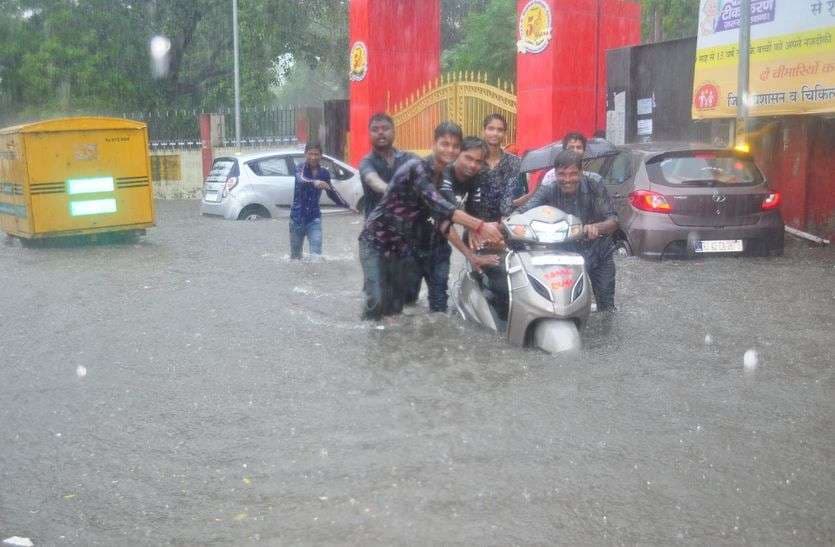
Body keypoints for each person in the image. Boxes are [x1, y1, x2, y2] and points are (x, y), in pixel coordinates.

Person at [358, 122, 504, 321]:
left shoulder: (442, 174)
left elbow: (441, 221)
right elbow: (443, 207)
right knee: (376, 300)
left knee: (396, 312)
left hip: (402, 247)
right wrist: (479, 225)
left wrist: (473, 250)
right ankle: (367, 339)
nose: (449, 150)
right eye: (444, 144)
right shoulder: (417, 168)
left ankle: (390, 347)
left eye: (454, 146)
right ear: (433, 144)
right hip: (376, 241)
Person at [405, 137, 500, 312]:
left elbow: (475, 210)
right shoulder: (442, 174)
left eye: (478, 161)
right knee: (407, 302)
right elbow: (446, 219)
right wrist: (472, 254)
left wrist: (474, 227)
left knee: (440, 305)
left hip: (438, 247)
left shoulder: (477, 177)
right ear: (458, 154)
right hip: (411, 245)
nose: (472, 165)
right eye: (468, 158)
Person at [518, 149, 619, 311]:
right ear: (555, 173)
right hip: (566, 255)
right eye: (562, 174)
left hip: (600, 254)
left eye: (573, 174)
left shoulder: (595, 183)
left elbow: (613, 220)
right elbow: (525, 210)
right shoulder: (549, 189)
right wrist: (507, 222)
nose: (567, 179)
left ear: (581, 172)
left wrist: (596, 227)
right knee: (562, 306)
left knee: (606, 309)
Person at [468, 113, 526, 221]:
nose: (495, 133)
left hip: (505, 225)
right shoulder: (473, 161)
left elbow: (518, 197)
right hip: (476, 226)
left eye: (500, 130)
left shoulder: (515, 162)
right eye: (491, 129)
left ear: (505, 134)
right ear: (483, 131)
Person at [357, 113, 415, 218]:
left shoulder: (408, 158)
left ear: (394, 132)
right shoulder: (367, 162)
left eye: (385, 128)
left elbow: (427, 169)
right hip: (376, 228)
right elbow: (372, 180)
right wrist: (393, 191)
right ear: (369, 134)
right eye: (375, 129)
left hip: (405, 226)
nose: (380, 132)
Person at [289, 142, 331, 260]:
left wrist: (347, 205)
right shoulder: (300, 168)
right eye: (310, 154)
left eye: (316, 154)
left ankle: (315, 276)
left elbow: (332, 192)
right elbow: (301, 179)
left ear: (321, 155)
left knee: (316, 256)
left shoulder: (324, 173)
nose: (313, 157)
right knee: (295, 258)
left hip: (314, 219)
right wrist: (315, 182)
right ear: (305, 154)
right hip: (297, 219)